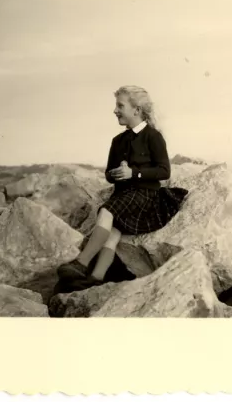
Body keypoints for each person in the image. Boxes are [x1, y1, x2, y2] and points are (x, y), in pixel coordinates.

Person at [56, 85, 189, 292]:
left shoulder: (153, 136)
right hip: (124, 195)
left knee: (106, 212)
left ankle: (81, 263)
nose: (115, 110)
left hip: (147, 195)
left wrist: (133, 173)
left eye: (120, 105)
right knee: (113, 233)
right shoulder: (117, 141)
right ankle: (96, 277)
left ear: (136, 110)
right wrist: (117, 174)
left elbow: (164, 171)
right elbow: (109, 174)